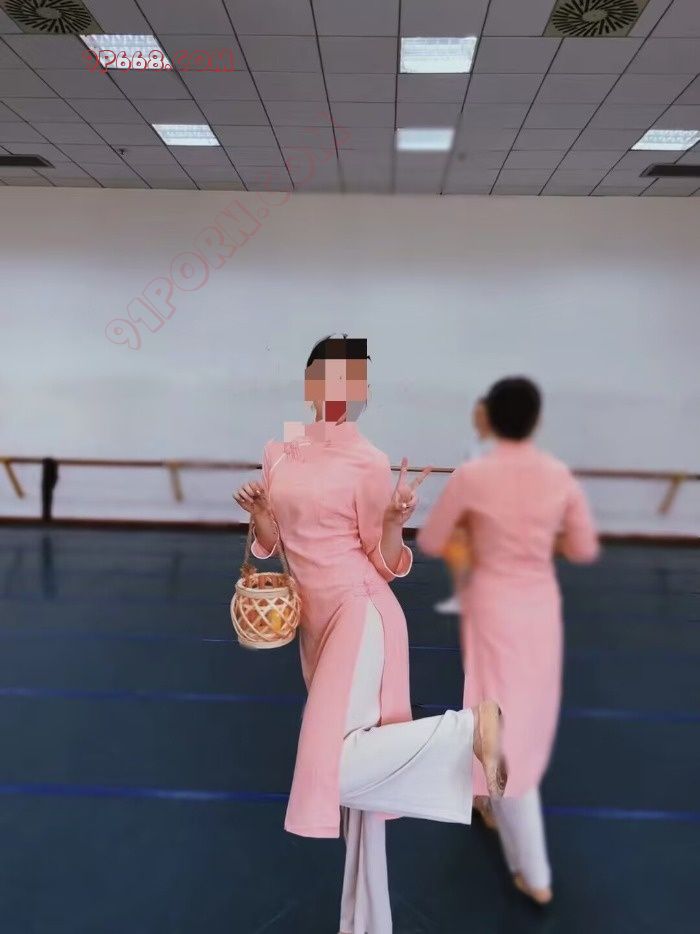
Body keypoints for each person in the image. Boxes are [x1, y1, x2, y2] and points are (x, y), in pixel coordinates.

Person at [234, 336, 507, 934]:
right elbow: (271, 545)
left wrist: (393, 523)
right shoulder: (280, 450)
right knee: (361, 794)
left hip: (361, 615)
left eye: (352, 381)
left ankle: (466, 731)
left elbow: (383, 564)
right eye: (330, 378)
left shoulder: (368, 461)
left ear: (361, 393)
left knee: (327, 768)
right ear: (310, 384)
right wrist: (260, 520)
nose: (341, 392)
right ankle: (365, 924)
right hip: (315, 627)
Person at [417, 376, 599, 906]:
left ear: (490, 419)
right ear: (536, 421)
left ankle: (534, 872)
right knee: (510, 716)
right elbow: (583, 548)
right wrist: (538, 543)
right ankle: (488, 801)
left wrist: (480, 541)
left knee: (500, 725)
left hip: (492, 609)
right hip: (538, 609)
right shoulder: (557, 475)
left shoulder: (474, 476)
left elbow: (432, 538)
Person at [434, 398, 491, 615]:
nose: (478, 419)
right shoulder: (473, 444)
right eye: (476, 414)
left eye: (482, 415)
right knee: (460, 549)